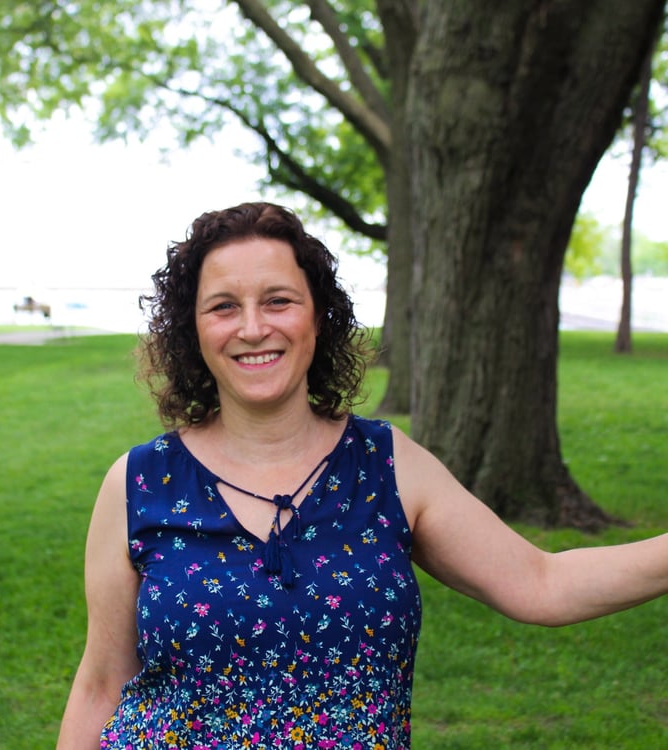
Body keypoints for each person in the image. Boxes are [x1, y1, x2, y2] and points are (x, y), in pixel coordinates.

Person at [57, 201, 667, 749]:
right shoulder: (139, 482)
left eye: (278, 300)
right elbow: (102, 682)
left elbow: (541, 582)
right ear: (194, 329)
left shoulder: (388, 466)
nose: (251, 328)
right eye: (223, 307)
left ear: (317, 317)